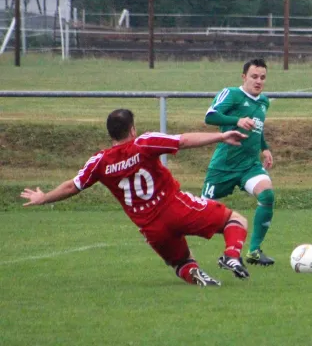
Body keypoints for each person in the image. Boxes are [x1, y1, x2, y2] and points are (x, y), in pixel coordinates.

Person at [20, 109, 251, 287]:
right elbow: (182, 141)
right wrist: (221, 136)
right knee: (236, 220)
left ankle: (198, 278)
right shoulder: (144, 143)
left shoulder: (100, 162)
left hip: (151, 228)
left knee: (181, 261)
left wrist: (44, 198)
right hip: (174, 207)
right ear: (132, 129)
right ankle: (231, 256)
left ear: (111, 133)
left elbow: (73, 186)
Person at [202, 58, 276, 266]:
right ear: (244, 77)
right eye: (254, 76)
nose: (258, 81)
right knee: (201, 215)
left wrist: (265, 148)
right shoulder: (232, 94)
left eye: (262, 77)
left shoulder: (264, 101)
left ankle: (253, 251)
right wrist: (236, 121)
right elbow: (210, 116)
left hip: (249, 165)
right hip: (224, 165)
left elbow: (257, 128)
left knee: (267, 195)